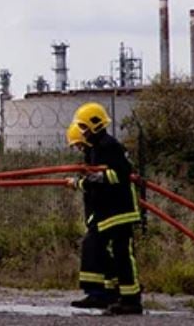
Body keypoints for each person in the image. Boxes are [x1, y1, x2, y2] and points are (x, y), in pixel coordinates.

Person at [69, 102, 143, 316]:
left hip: (119, 211)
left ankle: (131, 299)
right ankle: (114, 295)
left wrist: (82, 181)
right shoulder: (98, 148)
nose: (82, 132)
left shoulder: (108, 146)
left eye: (83, 127)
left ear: (94, 124)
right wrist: (89, 179)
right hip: (108, 213)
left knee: (121, 254)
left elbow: (117, 175)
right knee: (108, 252)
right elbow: (100, 177)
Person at [65, 122, 117, 309]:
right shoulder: (94, 155)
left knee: (93, 247)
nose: (79, 149)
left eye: (79, 145)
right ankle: (107, 292)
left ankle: (99, 293)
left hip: (107, 212)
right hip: (102, 211)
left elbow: (96, 182)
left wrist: (77, 183)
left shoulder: (100, 153)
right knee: (99, 249)